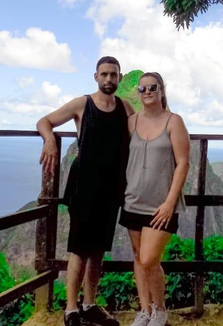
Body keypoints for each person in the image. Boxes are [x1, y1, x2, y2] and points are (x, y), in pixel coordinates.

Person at [37, 56, 134, 326]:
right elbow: (45, 121)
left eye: (113, 75)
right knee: (79, 248)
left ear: (120, 77)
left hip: (111, 187)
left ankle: (90, 303)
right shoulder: (83, 104)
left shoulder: (125, 108)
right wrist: (50, 141)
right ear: (96, 77)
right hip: (84, 185)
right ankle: (71, 309)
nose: (108, 79)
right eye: (104, 74)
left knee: (99, 250)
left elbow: (144, 131)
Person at [119, 72, 190, 326]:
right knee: (138, 257)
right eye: (142, 88)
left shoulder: (174, 121)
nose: (147, 91)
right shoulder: (131, 122)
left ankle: (160, 309)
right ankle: (145, 310)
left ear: (161, 91)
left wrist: (170, 202)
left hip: (161, 204)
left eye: (153, 87)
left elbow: (183, 163)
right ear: (138, 93)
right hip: (132, 200)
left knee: (150, 258)